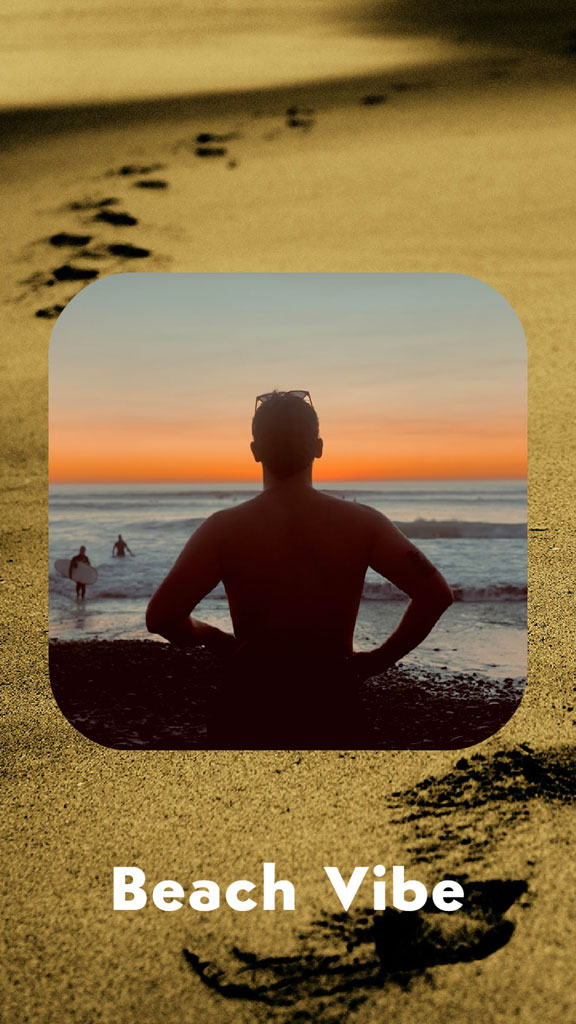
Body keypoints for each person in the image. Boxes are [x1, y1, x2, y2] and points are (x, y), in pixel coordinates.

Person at [146, 391, 453, 748]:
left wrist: (212, 637)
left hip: (252, 696)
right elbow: (435, 595)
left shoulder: (223, 528)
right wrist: (375, 662)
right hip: (331, 693)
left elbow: (163, 617)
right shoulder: (362, 523)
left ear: (255, 451)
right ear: (319, 447)